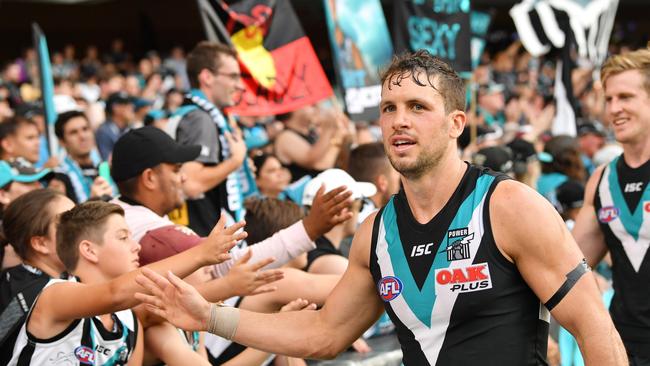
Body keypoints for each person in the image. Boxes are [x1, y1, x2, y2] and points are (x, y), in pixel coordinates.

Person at [135, 50, 627, 365]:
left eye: (418, 107)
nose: (398, 121)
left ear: (457, 123)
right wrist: (209, 316)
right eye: (389, 109)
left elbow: (592, 326)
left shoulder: (509, 206)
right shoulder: (376, 233)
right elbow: (325, 333)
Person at [8, 199, 246, 365]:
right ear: (89, 250)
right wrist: (201, 254)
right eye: (123, 237)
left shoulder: (128, 319)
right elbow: (115, 293)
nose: (137, 246)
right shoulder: (55, 295)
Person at [572, 47, 650, 365]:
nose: (614, 109)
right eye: (609, 99)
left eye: (626, 97)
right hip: (623, 346)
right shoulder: (602, 179)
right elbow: (569, 265)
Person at [167, 41, 249, 236]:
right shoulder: (201, 119)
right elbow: (191, 184)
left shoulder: (190, 111)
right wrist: (234, 162)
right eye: (233, 76)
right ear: (207, 77)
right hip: (203, 233)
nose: (239, 85)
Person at [0, 189, 75, 365]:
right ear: (41, 243)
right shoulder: (36, 291)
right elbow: (114, 294)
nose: (83, 227)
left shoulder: (20, 276)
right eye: (70, 221)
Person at [55, 110, 115, 203]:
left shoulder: (105, 167)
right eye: (73, 132)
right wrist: (93, 201)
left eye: (85, 129)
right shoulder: (58, 177)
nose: (82, 136)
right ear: (62, 142)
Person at [347, 142, 401, 224]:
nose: (401, 180)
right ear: (382, 183)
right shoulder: (383, 224)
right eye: (397, 173)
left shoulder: (347, 218)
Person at [96, 91, 135, 160]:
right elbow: (107, 161)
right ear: (115, 107)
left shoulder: (130, 128)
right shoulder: (104, 132)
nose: (132, 107)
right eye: (126, 104)